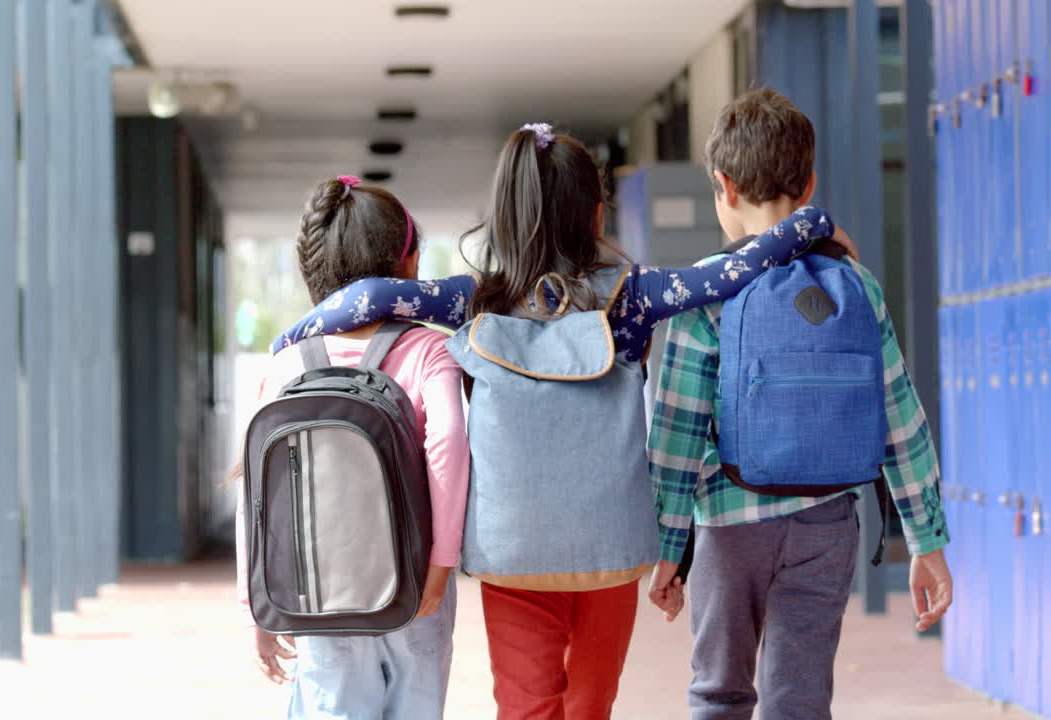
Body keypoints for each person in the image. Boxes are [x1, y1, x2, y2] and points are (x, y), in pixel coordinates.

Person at [272, 125, 848, 720]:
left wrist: (289, 339)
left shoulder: (476, 299)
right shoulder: (634, 295)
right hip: (610, 548)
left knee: (525, 704)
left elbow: (368, 296)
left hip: (512, 552)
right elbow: (735, 272)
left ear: (503, 215)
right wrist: (815, 223)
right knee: (591, 704)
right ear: (597, 214)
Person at [645, 88, 953, 720]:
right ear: (810, 186)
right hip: (827, 523)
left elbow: (674, 435)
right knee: (799, 699)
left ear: (724, 187)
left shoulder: (706, 292)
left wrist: (669, 549)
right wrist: (926, 538)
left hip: (729, 531)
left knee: (718, 692)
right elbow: (899, 412)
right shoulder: (856, 283)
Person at [235, 175, 471, 719]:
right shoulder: (430, 348)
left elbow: (256, 493)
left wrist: (258, 608)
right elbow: (449, 445)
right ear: (408, 263)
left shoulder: (286, 363)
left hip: (318, 596)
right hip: (415, 590)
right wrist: (440, 567)